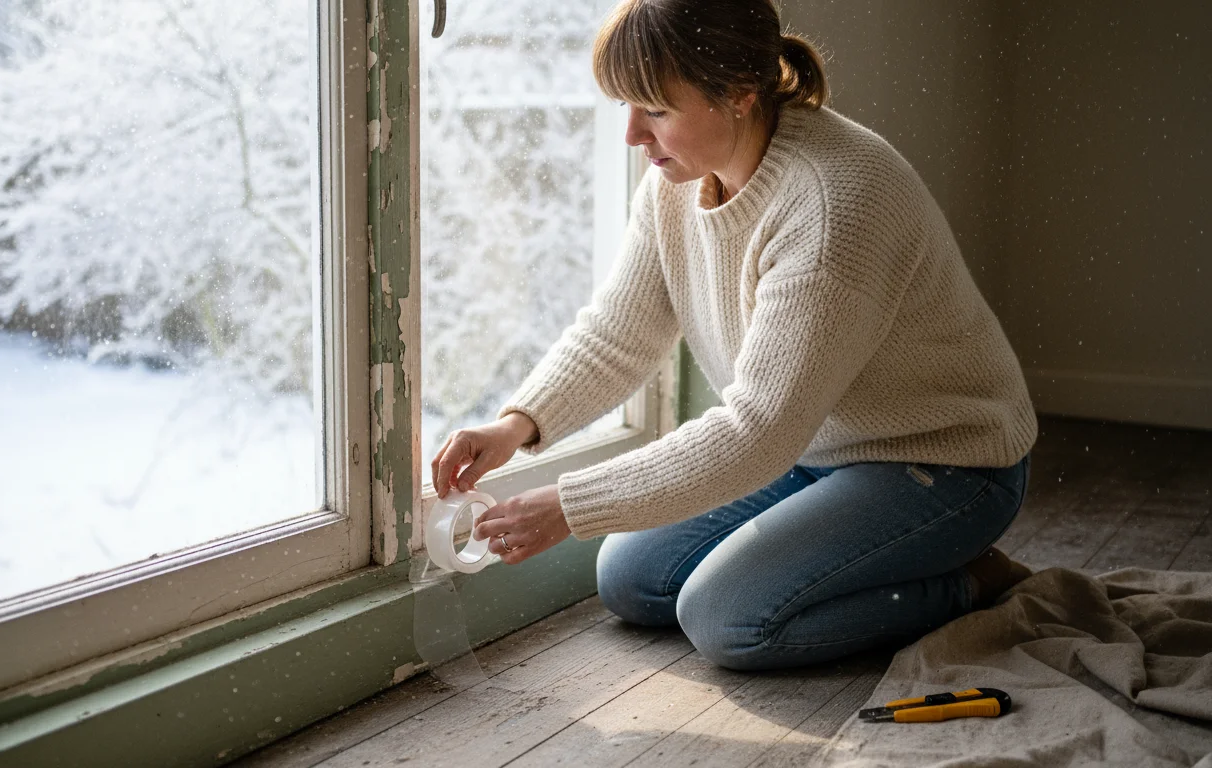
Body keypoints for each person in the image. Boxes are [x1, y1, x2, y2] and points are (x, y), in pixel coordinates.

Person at [430, 0, 1037, 671]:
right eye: (625, 106)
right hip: (812, 449)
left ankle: (973, 581)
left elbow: (756, 432)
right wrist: (516, 425)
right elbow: (617, 334)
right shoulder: (676, 181)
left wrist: (569, 504)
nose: (632, 133)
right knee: (630, 577)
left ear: (740, 95)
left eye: (655, 110)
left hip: (943, 464)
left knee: (728, 618)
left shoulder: (833, 205)